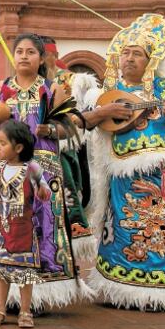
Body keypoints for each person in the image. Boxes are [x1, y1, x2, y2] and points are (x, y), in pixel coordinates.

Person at [82, 13, 165, 315]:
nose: (129, 59)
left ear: (151, 60)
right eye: (125, 53)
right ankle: (121, 290)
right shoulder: (105, 95)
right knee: (123, 233)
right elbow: (92, 124)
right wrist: (108, 111)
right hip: (124, 177)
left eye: (137, 54)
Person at [0, 34, 92, 310]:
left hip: (43, 166)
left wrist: (51, 130)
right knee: (9, 226)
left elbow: (70, 127)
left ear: (41, 58)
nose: (23, 56)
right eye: (19, 51)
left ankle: (42, 294)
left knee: (44, 224)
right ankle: (8, 295)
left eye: (30, 52)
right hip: (8, 168)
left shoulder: (52, 88)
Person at [0, 121, 51, 329]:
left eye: (3, 143)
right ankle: (0, 310)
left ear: (18, 148)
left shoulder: (31, 168)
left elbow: (44, 191)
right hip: (1, 229)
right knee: (0, 272)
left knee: (24, 273)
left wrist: (42, 192)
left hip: (24, 228)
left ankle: (25, 311)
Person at [40, 36, 94, 260]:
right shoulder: (21, 82)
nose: (42, 58)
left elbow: (82, 115)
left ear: (55, 55)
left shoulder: (74, 81)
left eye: (45, 53)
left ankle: (69, 256)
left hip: (68, 145)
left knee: (71, 194)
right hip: (36, 150)